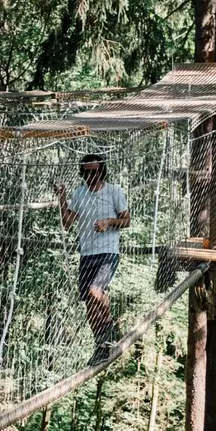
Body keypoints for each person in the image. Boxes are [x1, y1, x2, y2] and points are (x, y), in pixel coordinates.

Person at [54, 154, 130, 366]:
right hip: (87, 253)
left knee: (95, 292)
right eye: (86, 172)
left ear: (101, 171)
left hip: (108, 252)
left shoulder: (114, 191)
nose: (90, 175)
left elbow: (127, 220)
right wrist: (62, 198)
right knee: (90, 305)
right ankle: (101, 345)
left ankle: (112, 327)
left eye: (94, 171)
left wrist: (109, 222)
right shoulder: (79, 194)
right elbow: (67, 222)